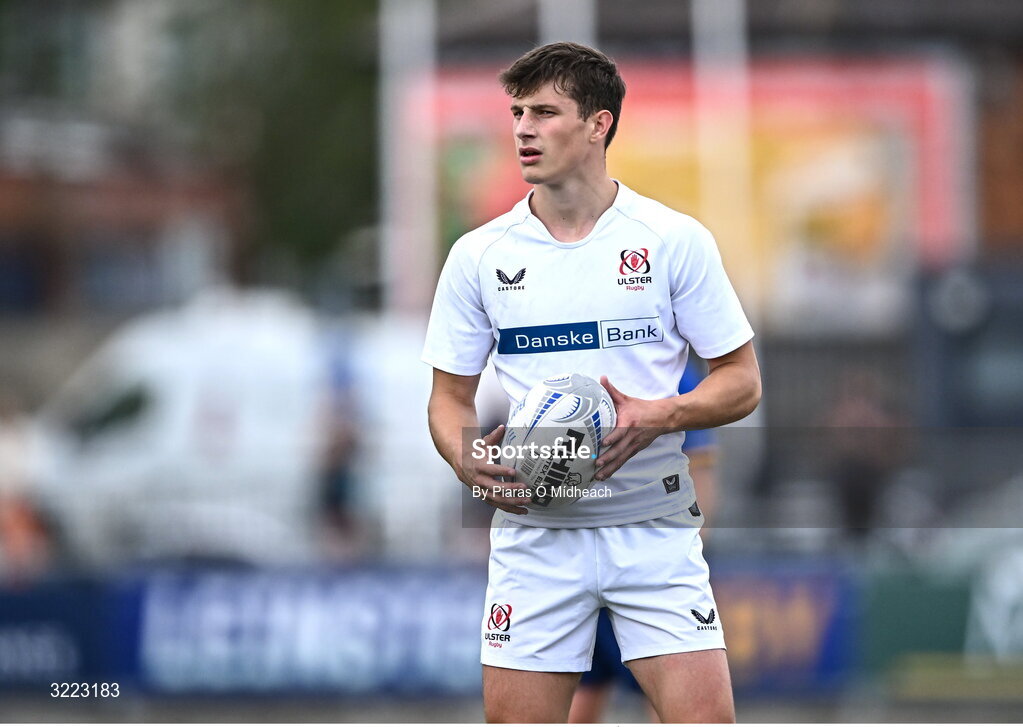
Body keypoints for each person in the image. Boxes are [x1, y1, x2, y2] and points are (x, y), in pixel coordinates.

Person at [422, 42, 760, 723]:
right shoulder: (478, 255)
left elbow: (741, 381)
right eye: (517, 112)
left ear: (598, 124)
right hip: (535, 533)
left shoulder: (672, 240)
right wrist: (466, 458)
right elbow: (447, 397)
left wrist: (661, 414)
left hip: (652, 528)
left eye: (544, 112)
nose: (522, 128)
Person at [568, 357, 720, 723]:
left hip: (644, 563)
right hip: (573, 558)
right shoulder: (567, 360)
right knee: (579, 699)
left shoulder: (672, 370)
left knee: (668, 700)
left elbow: (701, 471)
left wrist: (678, 549)